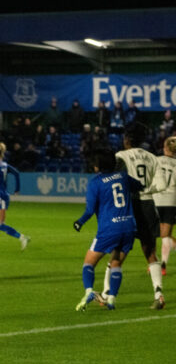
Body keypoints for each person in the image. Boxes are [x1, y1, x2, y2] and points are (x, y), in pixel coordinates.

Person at [98, 125, 165, 309]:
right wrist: (148, 191)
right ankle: (158, 294)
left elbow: (115, 180)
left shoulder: (121, 156)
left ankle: (105, 294)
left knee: (117, 252)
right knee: (150, 252)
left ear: (127, 139)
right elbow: (162, 183)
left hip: (128, 207)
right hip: (148, 206)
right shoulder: (153, 158)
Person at [73, 151, 141, 311]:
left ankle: (89, 291)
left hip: (109, 229)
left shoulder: (95, 183)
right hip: (129, 227)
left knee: (88, 263)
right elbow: (140, 185)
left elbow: (90, 210)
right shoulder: (123, 176)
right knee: (116, 263)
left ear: (97, 166)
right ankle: (111, 299)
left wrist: (79, 222)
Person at [145, 136, 176, 276]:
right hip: (171, 200)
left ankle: (153, 263)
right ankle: (163, 265)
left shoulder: (155, 160)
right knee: (166, 235)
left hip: (156, 199)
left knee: (152, 234)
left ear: (164, 147)